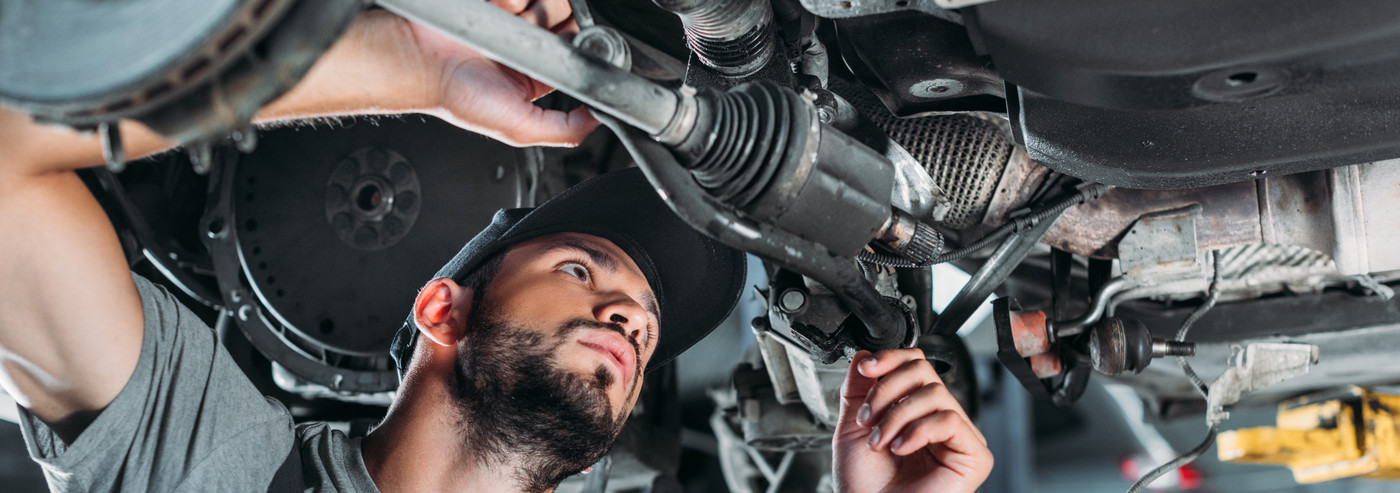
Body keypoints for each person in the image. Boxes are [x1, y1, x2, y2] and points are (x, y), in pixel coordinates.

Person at [0, 1, 993, 492]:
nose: (626, 316)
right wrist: (409, 69)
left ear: (441, 304)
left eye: (578, 272)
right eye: (640, 326)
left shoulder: (213, 470)